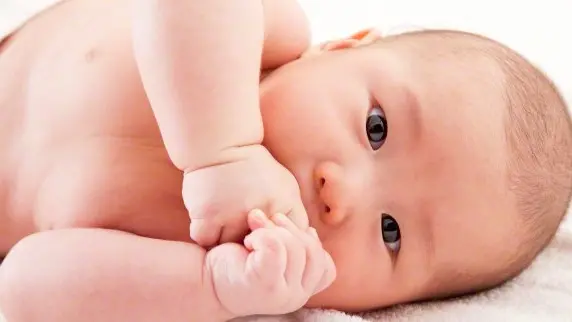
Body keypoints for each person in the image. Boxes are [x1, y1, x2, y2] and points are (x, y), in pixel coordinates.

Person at [1, 0, 571, 321]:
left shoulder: (212, 260)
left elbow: (21, 287)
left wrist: (211, 288)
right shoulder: (266, 38)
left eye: (391, 233)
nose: (341, 194)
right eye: (377, 129)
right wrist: (222, 152)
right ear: (343, 47)